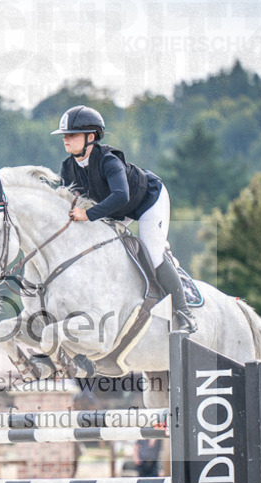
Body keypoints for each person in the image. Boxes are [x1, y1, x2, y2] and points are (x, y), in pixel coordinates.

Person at [52, 105, 197, 333]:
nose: (66, 139)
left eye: (72, 134)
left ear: (91, 137)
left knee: (153, 252)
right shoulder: (68, 168)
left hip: (148, 200)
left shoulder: (109, 161)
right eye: (64, 135)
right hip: (118, 210)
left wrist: (88, 214)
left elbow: (121, 195)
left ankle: (184, 311)